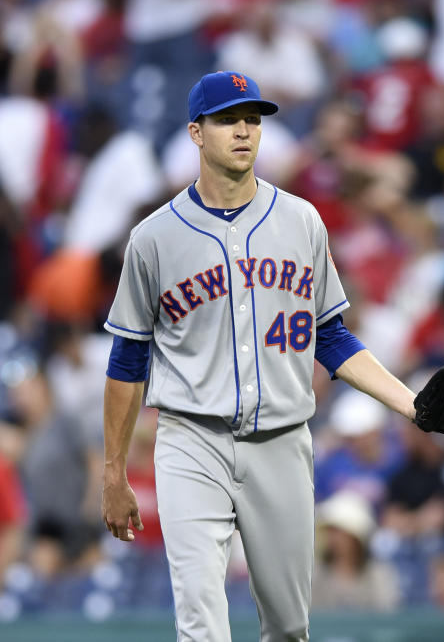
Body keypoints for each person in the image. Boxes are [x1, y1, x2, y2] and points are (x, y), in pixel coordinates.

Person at [100, 71, 424, 642]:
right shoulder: (153, 238)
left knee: (289, 626)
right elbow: (128, 360)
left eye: (253, 118)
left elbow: (332, 337)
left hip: (281, 438)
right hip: (190, 438)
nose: (244, 130)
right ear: (197, 133)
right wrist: (114, 471)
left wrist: (412, 403)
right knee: (200, 622)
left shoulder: (301, 220)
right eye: (228, 119)